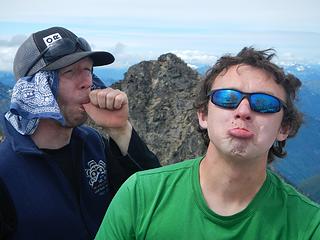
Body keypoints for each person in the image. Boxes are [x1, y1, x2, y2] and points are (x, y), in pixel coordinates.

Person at [95, 47, 320, 239]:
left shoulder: (309, 225)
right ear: (203, 114)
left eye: (264, 103)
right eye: (227, 98)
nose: (243, 111)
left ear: (284, 128)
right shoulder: (140, 194)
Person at [0, 26, 160, 240]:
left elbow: (153, 198)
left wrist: (120, 129)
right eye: (70, 72)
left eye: (89, 70)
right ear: (37, 90)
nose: (88, 82)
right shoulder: (5, 170)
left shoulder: (93, 144)